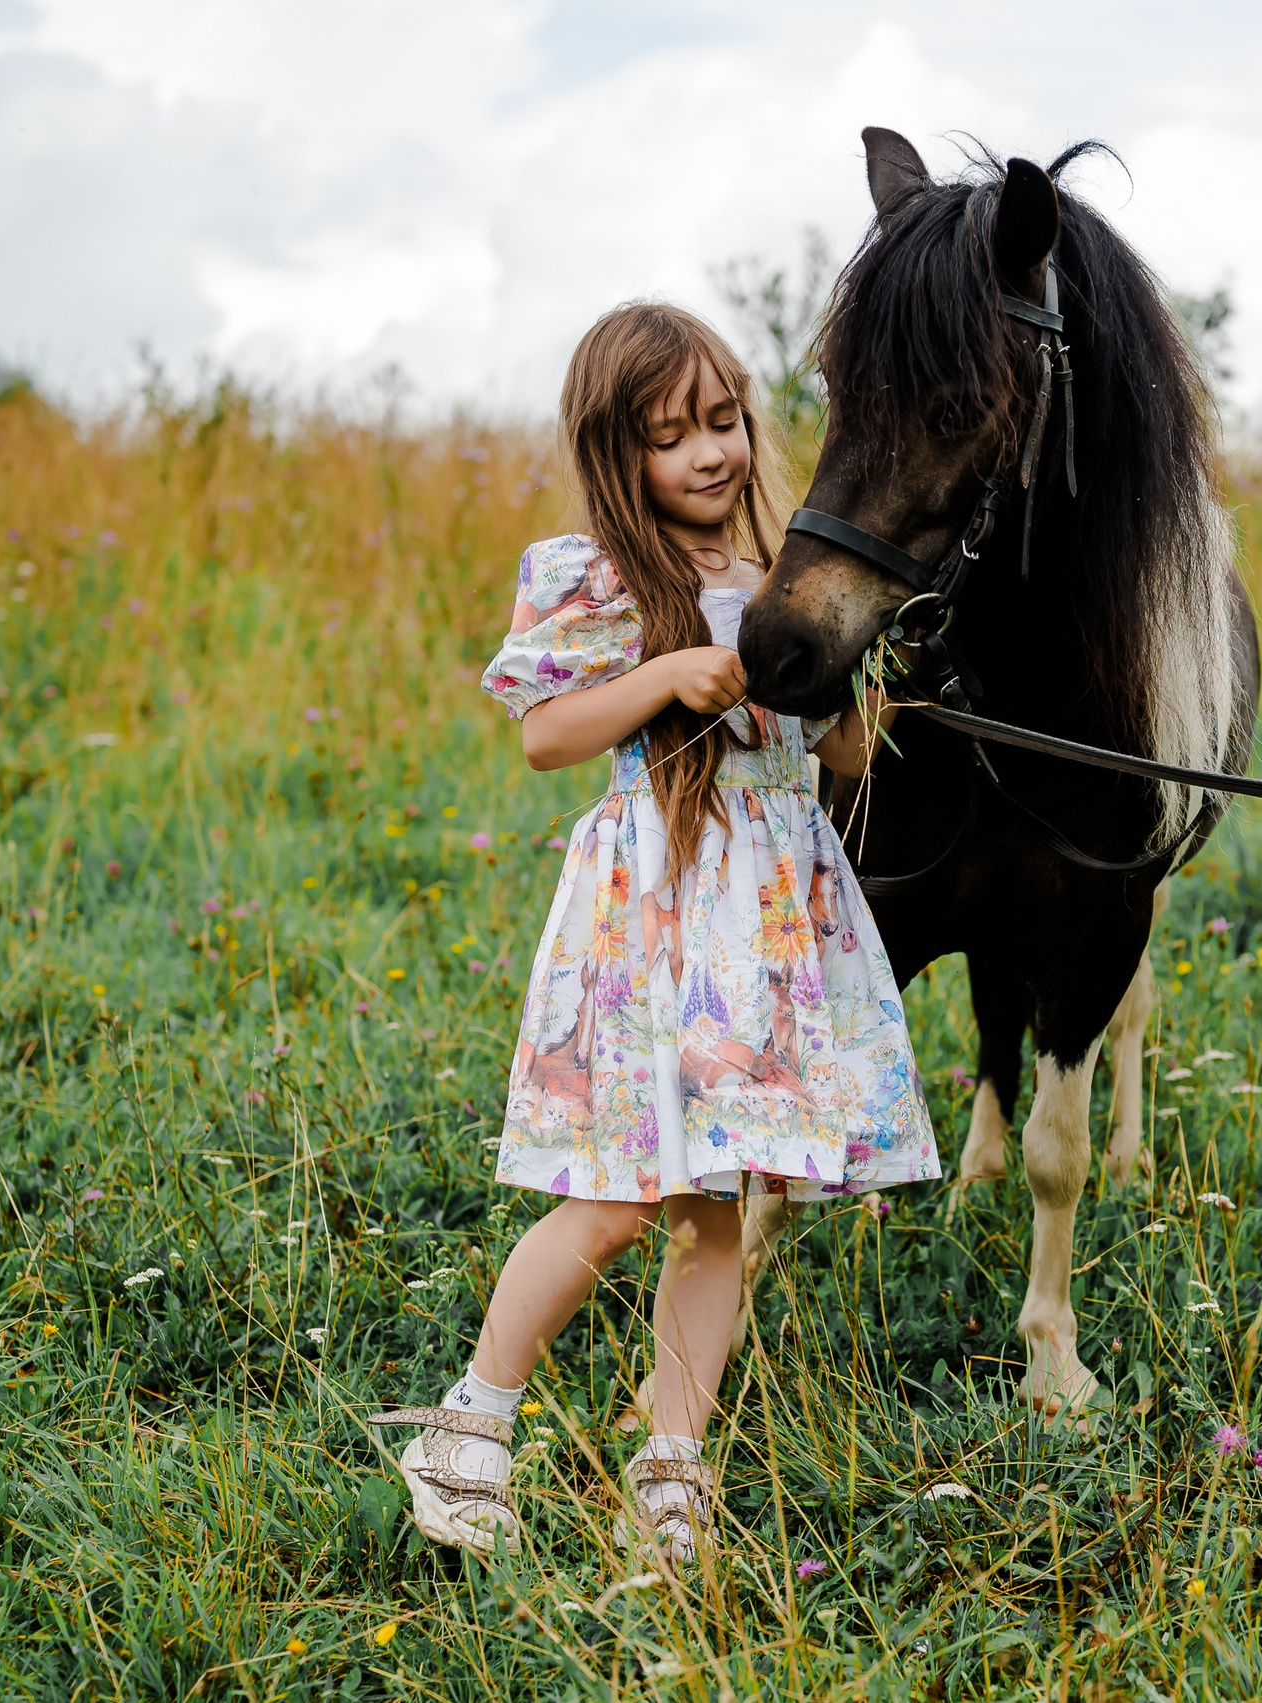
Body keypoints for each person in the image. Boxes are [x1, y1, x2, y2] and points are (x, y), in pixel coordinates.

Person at [368, 302, 939, 1561]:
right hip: (653, 923)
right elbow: (544, 736)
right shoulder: (601, 577)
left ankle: (670, 1462)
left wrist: (840, 689)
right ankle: (469, 1423)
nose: (710, 454)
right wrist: (666, 678)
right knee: (612, 1201)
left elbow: (837, 757)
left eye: (723, 420)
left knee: (715, 1213)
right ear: (616, 454)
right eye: (670, 435)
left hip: (769, 930)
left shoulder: (790, 579)